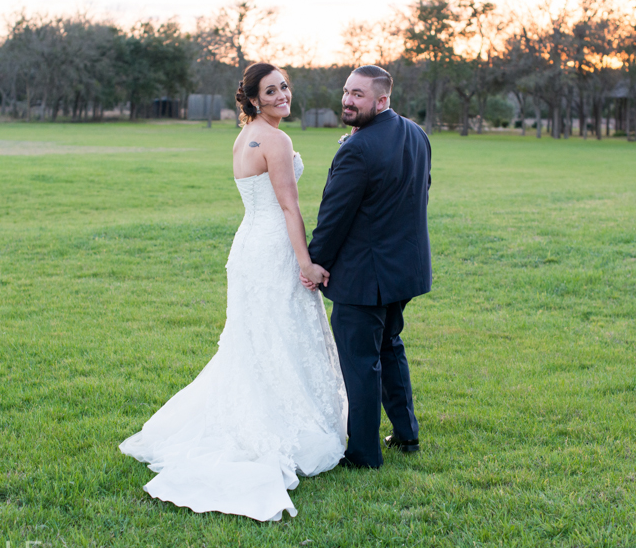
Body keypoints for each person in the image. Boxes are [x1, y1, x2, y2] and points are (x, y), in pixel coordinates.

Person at [120, 63, 347, 522]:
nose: (283, 94)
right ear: (255, 99)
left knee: (256, 338)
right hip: (273, 250)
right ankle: (277, 427)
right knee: (278, 335)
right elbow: (288, 205)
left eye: (284, 85)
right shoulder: (276, 140)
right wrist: (305, 261)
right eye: (272, 90)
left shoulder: (244, 136)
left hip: (247, 247)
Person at [301, 65, 432, 469]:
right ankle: (406, 434)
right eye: (346, 92)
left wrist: (315, 261)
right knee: (390, 347)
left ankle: (363, 453)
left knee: (359, 362)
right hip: (404, 268)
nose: (348, 100)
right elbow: (421, 191)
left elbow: (335, 214)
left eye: (358, 95)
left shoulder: (357, 148)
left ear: (382, 100)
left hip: (366, 274)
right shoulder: (415, 132)